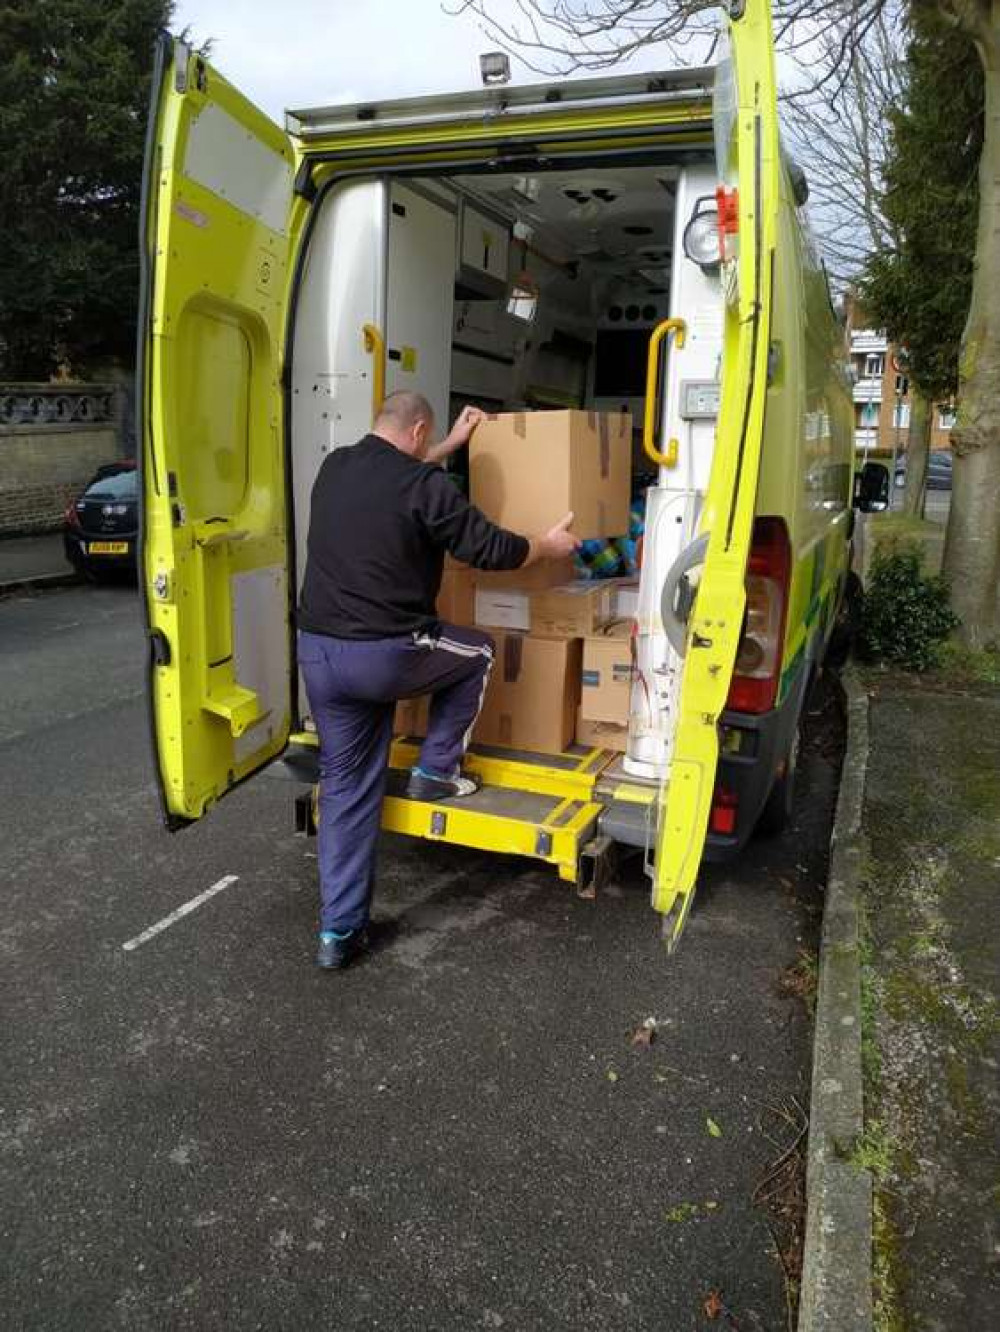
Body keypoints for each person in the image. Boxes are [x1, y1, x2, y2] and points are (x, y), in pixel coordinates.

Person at [297, 391, 579, 971]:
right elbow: (491, 548)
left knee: (346, 788)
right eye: (432, 442)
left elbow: (395, 475)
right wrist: (546, 546)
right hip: (384, 654)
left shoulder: (336, 465)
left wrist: (450, 446)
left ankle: (337, 935)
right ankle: (435, 771)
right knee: (478, 651)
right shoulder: (429, 489)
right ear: (419, 431)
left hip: (320, 655)